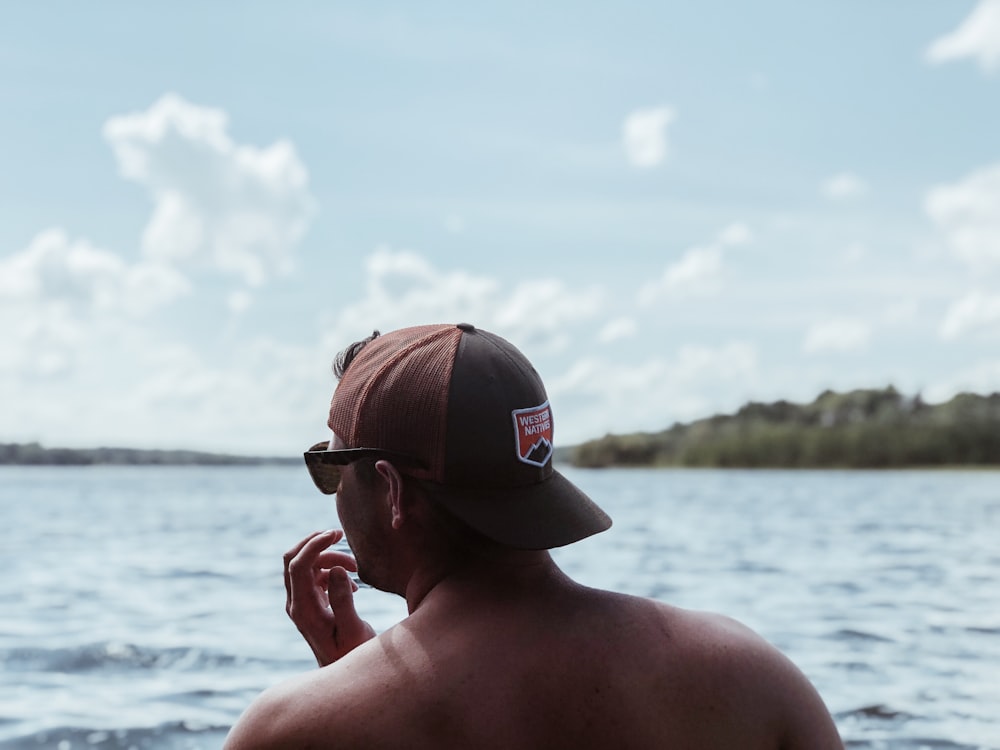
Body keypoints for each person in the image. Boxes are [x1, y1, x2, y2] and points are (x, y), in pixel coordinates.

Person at [224, 322, 843, 749]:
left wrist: (350, 686)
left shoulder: (291, 730)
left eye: (333, 465)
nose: (333, 489)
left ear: (390, 489)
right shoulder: (752, 674)